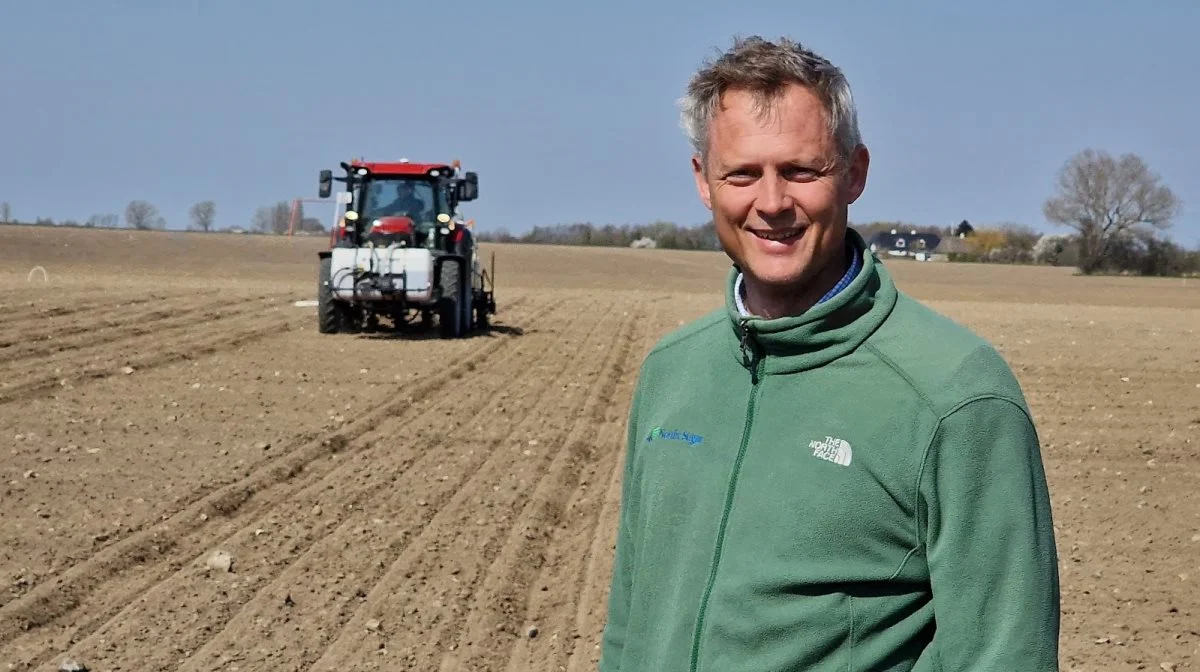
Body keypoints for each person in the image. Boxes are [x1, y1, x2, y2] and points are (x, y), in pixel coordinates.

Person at [598, 36, 1060, 671]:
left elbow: (1003, 655)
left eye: (801, 170)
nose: (772, 203)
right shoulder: (672, 371)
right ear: (703, 181)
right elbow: (632, 620)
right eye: (742, 173)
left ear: (855, 172)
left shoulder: (954, 393)